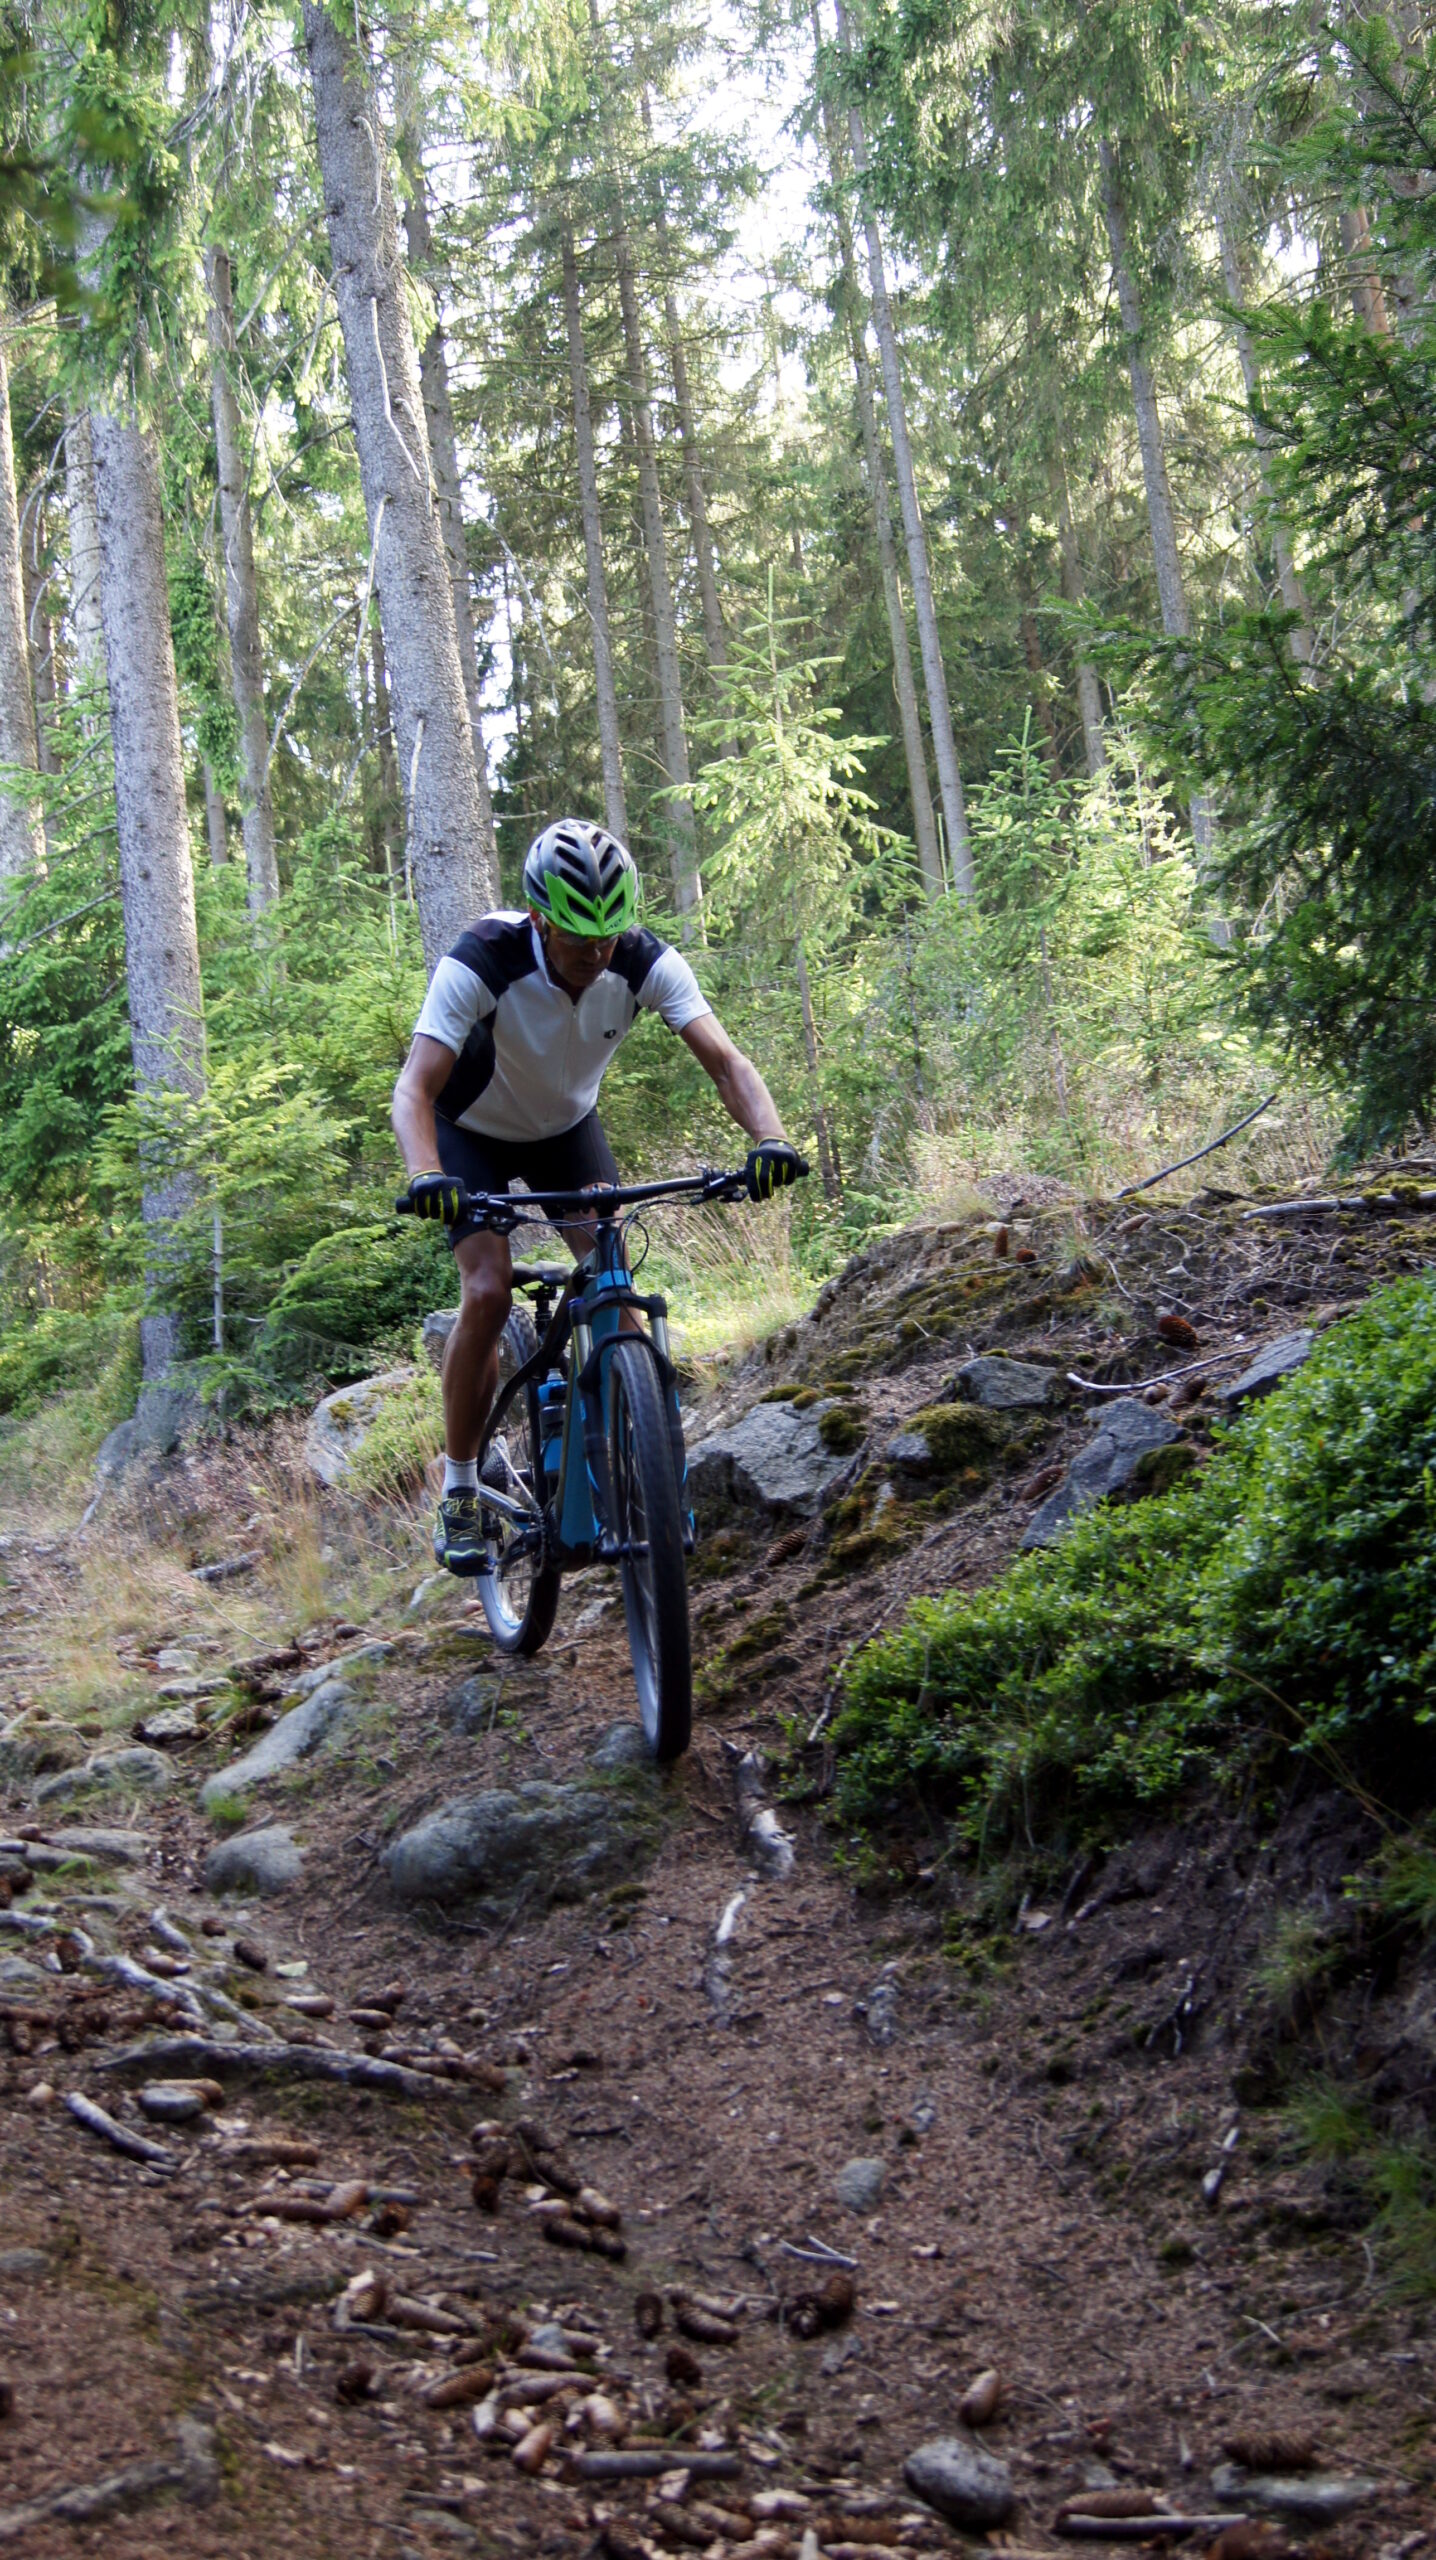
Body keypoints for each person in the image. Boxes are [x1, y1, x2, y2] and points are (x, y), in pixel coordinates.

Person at [392, 818, 804, 1573]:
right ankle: (458, 1487)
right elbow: (415, 1088)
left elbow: (726, 1062)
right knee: (486, 1291)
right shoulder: (483, 958)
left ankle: (636, 1458)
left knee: (613, 1284)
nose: (599, 953)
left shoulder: (644, 959)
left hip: (566, 1130)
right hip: (470, 1134)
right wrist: (427, 1175)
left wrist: (769, 1139)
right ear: (540, 917)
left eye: (610, 936)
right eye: (581, 938)